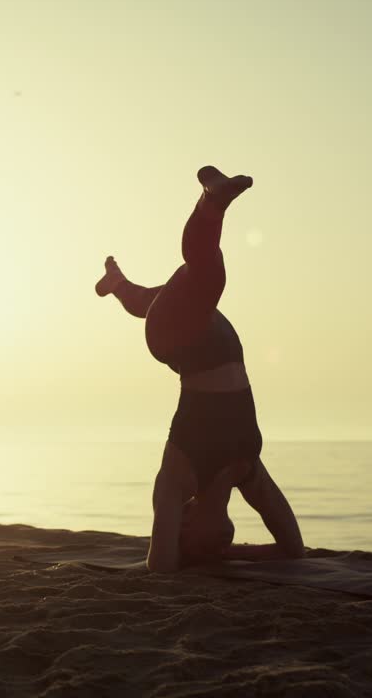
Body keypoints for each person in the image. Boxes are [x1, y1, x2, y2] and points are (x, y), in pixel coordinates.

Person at [95, 166, 306, 572]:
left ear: (183, 527)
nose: (221, 541)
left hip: (175, 342)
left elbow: (160, 567)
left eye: (202, 543)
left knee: (204, 278)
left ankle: (212, 202)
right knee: (172, 293)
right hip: (216, 339)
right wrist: (232, 556)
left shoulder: (177, 479)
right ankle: (116, 283)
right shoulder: (247, 470)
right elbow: (293, 549)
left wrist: (185, 555)